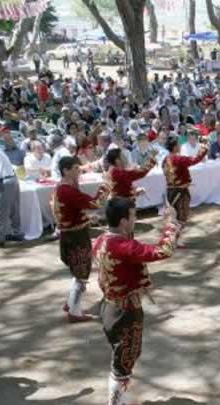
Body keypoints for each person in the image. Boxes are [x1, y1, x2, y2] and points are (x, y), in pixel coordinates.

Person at [93, 197, 181, 405]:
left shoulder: (101, 240)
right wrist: (170, 224)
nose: (135, 219)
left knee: (122, 357)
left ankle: (119, 400)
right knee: (122, 363)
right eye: (133, 216)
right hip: (125, 312)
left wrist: (140, 280)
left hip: (108, 307)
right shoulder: (123, 246)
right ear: (123, 221)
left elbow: (125, 266)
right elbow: (164, 250)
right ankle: (115, 403)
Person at [52, 156, 110, 322]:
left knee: (79, 272)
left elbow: (72, 210)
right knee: (81, 273)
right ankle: (74, 312)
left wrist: (84, 218)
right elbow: (95, 203)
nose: (79, 171)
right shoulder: (67, 190)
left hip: (70, 234)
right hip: (75, 237)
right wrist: (106, 184)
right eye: (76, 169)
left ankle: (71, 303)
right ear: (66, 171)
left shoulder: (63, 188)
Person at [163, 135, 208, 228]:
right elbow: (195, 159)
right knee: (181, 217)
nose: (180, 146)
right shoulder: (179, 159)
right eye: (178, 144)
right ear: (175, 147)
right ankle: (174, 239)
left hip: (170, 192)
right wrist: (204, 147)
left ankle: (173, 238)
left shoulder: (165, 159)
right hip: (181, 193)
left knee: (173, 217)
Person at [0, 148, 23, 248]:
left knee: (2, 211)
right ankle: (16, 233)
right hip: (13, 178)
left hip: (5, 181)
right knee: (14, 209)